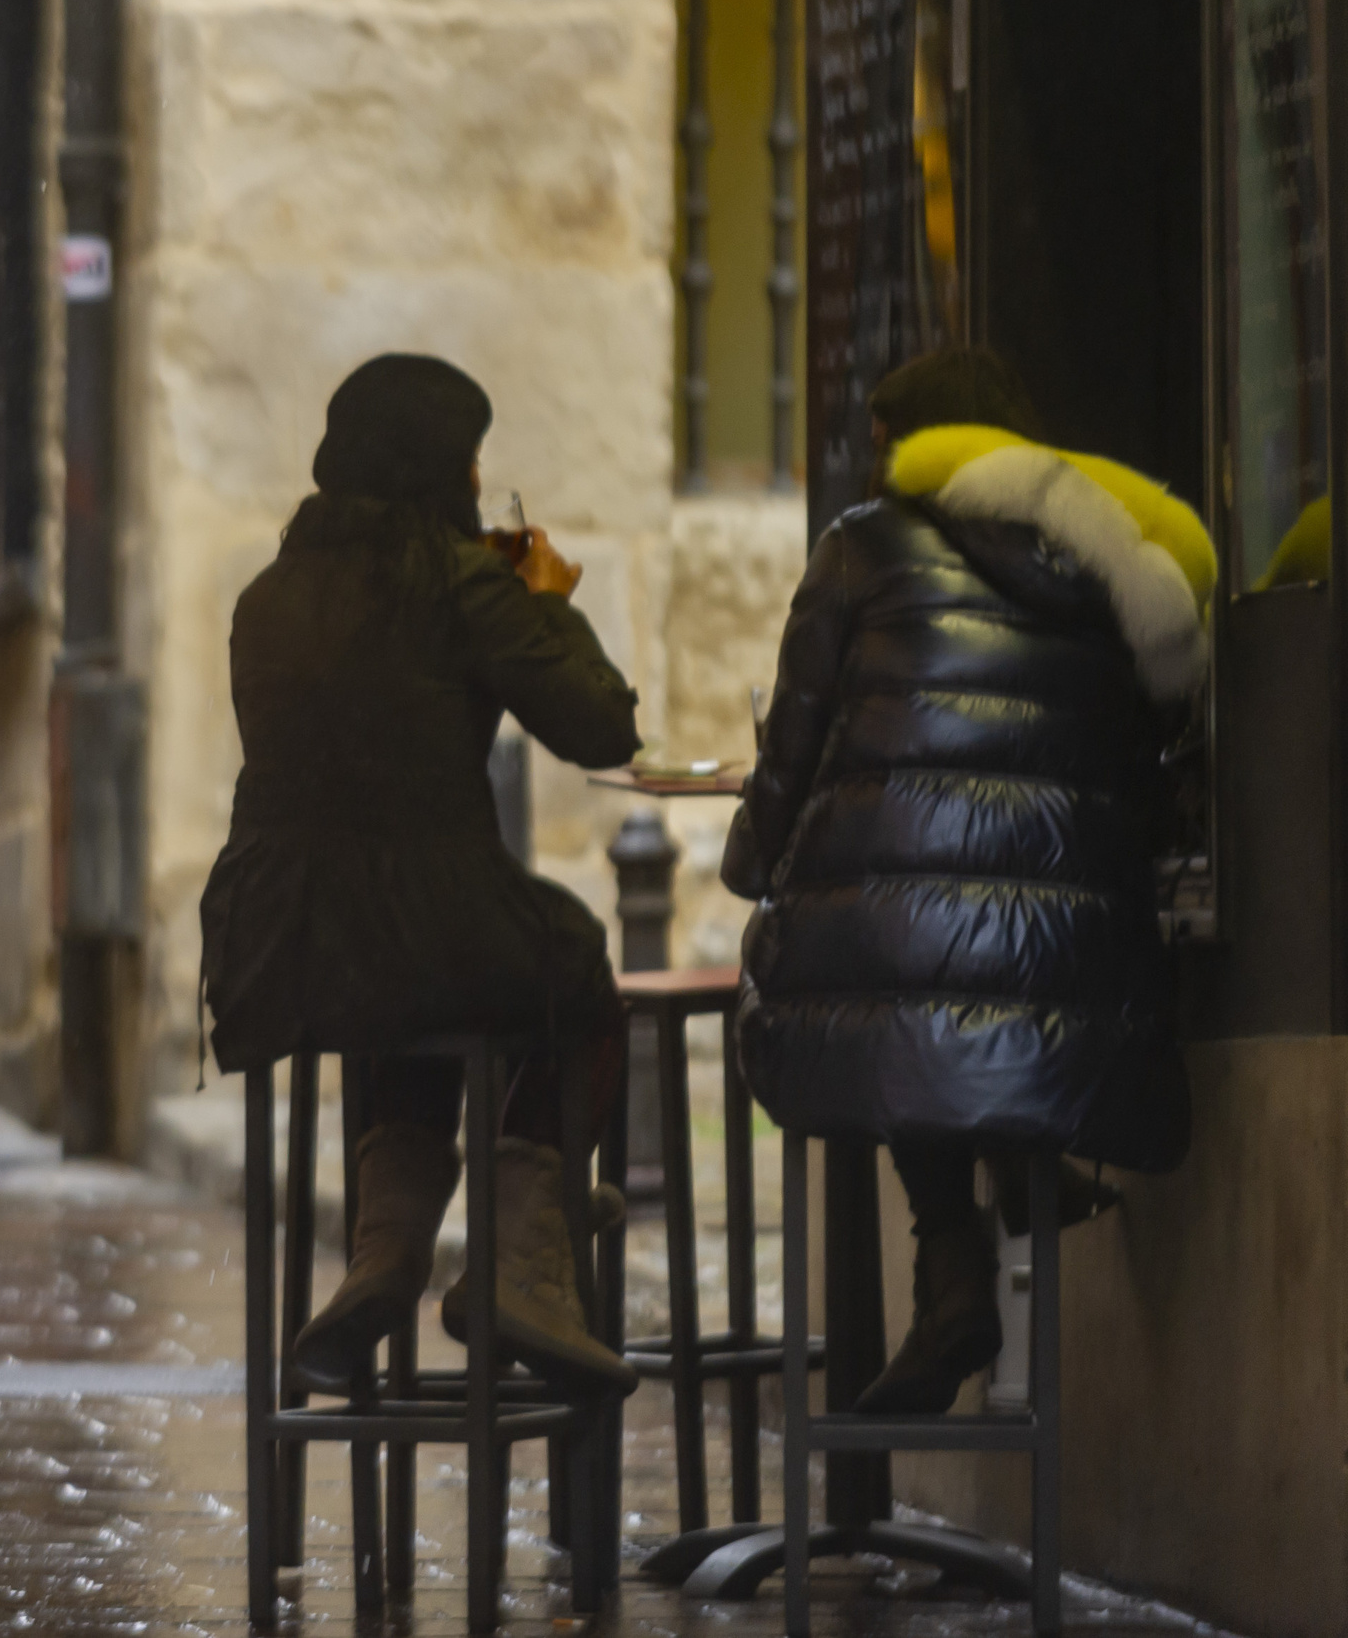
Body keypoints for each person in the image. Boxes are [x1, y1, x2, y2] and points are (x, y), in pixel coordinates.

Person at [726, 346, 1209, 1415]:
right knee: (953, 976)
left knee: (901, 973)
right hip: (1079, 980)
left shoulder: (859, 552)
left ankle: (954, 1270)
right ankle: (1011, 1188)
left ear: (910, 446)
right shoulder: (1108, 564)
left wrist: (751, 862)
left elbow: (793, 745)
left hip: (903, 968)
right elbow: (1149, 754)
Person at [200, 354, 643, 1395]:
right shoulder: (459, 584)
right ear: (442, 468)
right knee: (569, 972)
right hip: (421, 922)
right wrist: (541, 594)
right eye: (471, 464)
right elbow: (601, 724)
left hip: (278, 947)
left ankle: (386, 1254)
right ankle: (525, 1258)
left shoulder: (266, 597)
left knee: (420, 979)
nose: (481, 487)